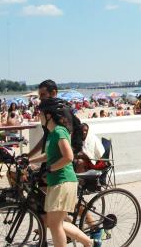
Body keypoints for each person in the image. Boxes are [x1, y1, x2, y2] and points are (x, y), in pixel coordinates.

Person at [29, 99, 92, 247]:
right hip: (55, 182)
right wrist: (29, 159)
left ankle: (89, 243)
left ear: (49, 115)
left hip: (63, 181)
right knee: (56, 223)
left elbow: (68, 157)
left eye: (41, 114)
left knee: (55, 225)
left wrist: (51, 168)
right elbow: (47, 156)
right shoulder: (51, 134)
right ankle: (90, 243)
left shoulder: (59, 131)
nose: (39, 116)